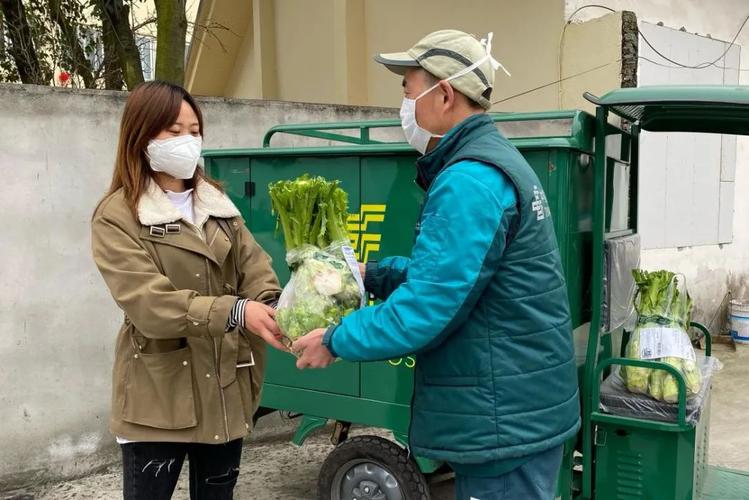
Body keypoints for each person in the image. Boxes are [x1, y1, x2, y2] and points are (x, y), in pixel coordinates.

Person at [293, 30, 580, 499]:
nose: (405, 108)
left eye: (408, 92)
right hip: (517, 406)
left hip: (501, 419)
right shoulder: (493, 163)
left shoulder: (468, 179)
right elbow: (463, 280)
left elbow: (426, 307)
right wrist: (375, 274)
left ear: (443, 94)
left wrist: (334, 339)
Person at [91, 81, 285, 500]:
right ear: (141, 136)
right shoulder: (118, 215)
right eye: (173, 131)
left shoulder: (215, 203)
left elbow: (255, 266)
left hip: (224, 386)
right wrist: (235, 312)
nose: (187, 141)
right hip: (159, 393)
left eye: (194, 130)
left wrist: (275, 306)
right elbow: (148, 303)